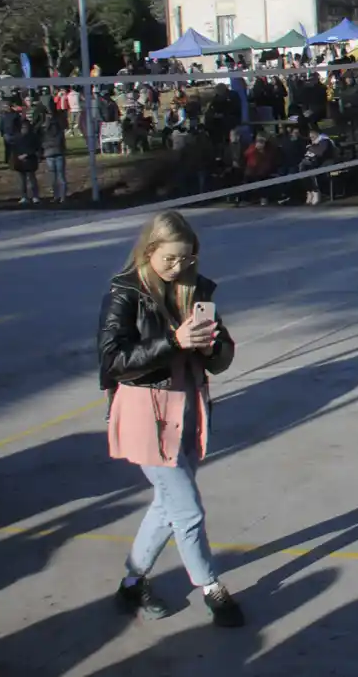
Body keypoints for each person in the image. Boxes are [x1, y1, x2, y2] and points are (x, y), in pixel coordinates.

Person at [97, 211, 244, 627]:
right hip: (146, 413)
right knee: (189, 510)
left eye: (187, 259)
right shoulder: (124, 293)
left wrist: (210, 344)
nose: (179, 268)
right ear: (149, 252)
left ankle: (131, 583)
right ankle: (212, 589)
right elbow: (113, 361)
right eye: (170, 260)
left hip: (189, 409)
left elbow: (223, 357)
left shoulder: (195, 290)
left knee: (168, 505)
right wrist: (173, 342)